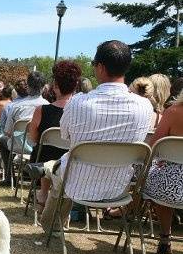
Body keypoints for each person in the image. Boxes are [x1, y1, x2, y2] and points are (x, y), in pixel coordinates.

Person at [25, 40, 153, 233]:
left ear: (100, 67)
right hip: (119, 188)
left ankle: (51, 221)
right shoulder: (145, 106)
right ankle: (50, 170)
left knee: (62, 170)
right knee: (63, 168)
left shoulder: (78, 103)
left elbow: (66, 136)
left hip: (77, 184)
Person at [27, 61, 82, 209]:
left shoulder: (41, 110)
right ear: (75, 86)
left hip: (43, 161)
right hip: (73, 162)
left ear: (55, 86)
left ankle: (43, 193)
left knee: (43, 150)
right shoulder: (82, 112)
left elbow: (33, 139)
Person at [143, 93, 183, 254]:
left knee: (158, 178)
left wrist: (164, 159)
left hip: (169, 190)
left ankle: (165, 237)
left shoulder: (173, 112)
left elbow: (152, 148)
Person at [0, 72, 48, 186]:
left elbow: (8, 132)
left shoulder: (17, 106)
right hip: (38, 148)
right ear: (43, 87)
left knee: (1, 141)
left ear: (28, 87)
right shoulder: (47, 106)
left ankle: (9, 177)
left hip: (19, 145)